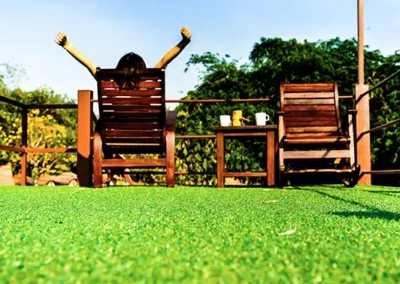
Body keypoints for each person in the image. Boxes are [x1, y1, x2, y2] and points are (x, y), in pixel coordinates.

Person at [54, 26, 192, 87]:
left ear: (119, 68)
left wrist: (67, 45)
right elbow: (164, 61)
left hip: (114, 139)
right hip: (147, 138)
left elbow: (88, 63)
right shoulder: (150, 82)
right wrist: (184, 42)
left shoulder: (109, 83)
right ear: (143, 68)